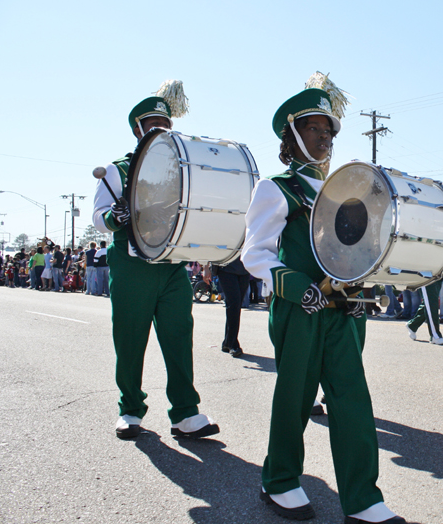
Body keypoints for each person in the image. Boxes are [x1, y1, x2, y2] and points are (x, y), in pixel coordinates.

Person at [241, 76, 403, 523]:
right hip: (300, 309)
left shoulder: (344, 190)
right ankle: (279, 481)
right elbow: (254, 253)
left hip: (343, 311)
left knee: (352, 397)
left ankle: (363, 497)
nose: (325, 136)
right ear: (291, 137)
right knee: (294, 398)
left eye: (329, 130)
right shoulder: (276, 188)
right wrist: (293, 285)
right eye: (314, 128)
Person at [93, 83, 219, 440]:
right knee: (131, 339)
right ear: (138, 129)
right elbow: (98, 217)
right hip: (132, 264)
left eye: (166, 124)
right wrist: (115, 217)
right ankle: (130, 409)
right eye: (153, 124)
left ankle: (185, 412)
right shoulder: (117, 170)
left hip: (172, 265)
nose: (161, 130)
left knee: (179, 337)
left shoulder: (181, 169)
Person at [205, 258, 249, 358]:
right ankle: (233, 344)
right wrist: (206, 267)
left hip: (244, 269)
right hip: (225, 268)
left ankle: (227, 342)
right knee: (234, 304)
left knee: (235, 307)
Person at [405, 279, 443, 345]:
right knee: (431, 303)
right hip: (426, 275)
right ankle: (435, 336)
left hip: (438, 273)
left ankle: (413, 325)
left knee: (429, 303)